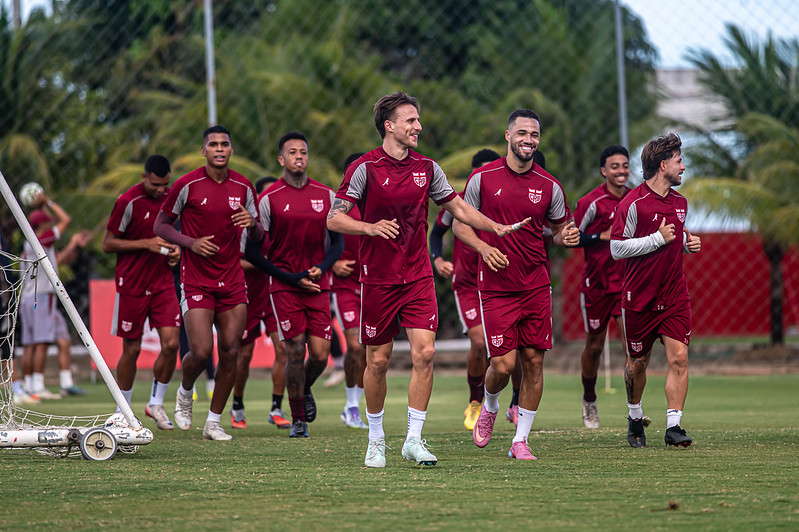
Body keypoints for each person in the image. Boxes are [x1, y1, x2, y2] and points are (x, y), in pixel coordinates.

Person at [327, 91, 525, 468]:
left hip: (418, 276)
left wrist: (494, 227)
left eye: (418, 120)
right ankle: (376, 440)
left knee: (426, 354)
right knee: (378, 361)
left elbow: (459, 207)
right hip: (378, 280)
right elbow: (334, 218)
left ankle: (413, 440)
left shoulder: (428, 168)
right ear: (389, 126)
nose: (418, 126)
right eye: (411, 120)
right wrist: (369, 227)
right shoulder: (365, 168)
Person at [454, 109, 580, 461]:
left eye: (534, 134)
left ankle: (520, 440)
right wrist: (484, 248)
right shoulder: (482, 179)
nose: (528, 139)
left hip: (536, 285)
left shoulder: (550, 185)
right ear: (508, 136)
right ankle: (490, 404)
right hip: (496, 287)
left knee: (534, 362)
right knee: (503, 366)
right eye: (522, 133)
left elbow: (559, 231)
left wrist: (566, 237)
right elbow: (460, 225)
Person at [153, 125, 263, 441]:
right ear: (204, 151)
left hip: (233, 280)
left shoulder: (243, 186)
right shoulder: (187, 184)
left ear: (231, 150)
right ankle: (185, 392)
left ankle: (213, 423)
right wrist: (191, 243)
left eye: (224, 144)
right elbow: (161, 226)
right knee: (201, 352)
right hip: (197, 280)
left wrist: (252, 223)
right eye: (213, 144)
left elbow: (259, 237)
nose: (219, 149)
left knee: (230, 352)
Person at [244, 132, 343, 438]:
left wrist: (321, 269)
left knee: (321, 354)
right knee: (295, 350)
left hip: (317, 284)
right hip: (284, 286)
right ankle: (298, 419)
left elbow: (337, 244)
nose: (299, 156)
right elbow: (252, 252)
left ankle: (303, 388)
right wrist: (289, 277)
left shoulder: (326, 195)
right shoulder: (269, 199)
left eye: (303, 152)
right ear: (281, 160)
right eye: (292, 152)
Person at [610, 132, 701, 448]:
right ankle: (635, 417)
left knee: (680, 358)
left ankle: (674, 426)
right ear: (663, 165)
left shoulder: (680, 203)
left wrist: (687, 244)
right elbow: (616, 249)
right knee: (638, 363)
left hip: (674, 296)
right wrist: (656, 240)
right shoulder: (632, 203)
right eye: (679, 161)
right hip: (639, 299)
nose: (683, 167)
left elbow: (675, 237)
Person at [101, 155, 181, 430]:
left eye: (165, 184)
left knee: (171, 344)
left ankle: (155, 403)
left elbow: (174, 234)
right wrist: (145, 243)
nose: (161, 190)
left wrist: (175, 250)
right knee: (132, 348)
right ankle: (122, 411)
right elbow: (108, 244)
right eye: (155, 184)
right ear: (144, 177)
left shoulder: (171, 199)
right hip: (132, 284)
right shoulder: (128, 201)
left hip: (162, 283)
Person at [429, 148, 501, 431]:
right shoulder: (458, 202)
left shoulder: (503, 200)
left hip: (498, 282)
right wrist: (438, 259)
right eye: (480, 170)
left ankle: (510, 403)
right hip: (468, 284)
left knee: (503, 350)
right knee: (480, 342)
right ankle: (474, 401)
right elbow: (437, 233)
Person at [573, 145, 631, 429]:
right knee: (594, 346)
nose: (621, 171)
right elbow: (571, 236)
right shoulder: (591, 202)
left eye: (625, 165)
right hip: (595, 285)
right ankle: (589, 399)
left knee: (633, 348)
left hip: (626, 284)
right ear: (604, 171)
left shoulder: (635, 199)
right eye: (615, 166)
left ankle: (635, 412)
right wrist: (600, 236)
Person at [231, 176, 291, 430]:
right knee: (244, 355)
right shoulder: (245, 227)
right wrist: (265, 265)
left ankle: (276, 408)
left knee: (284, 350)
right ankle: (237, 405)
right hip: (249, 298)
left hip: (276, 297)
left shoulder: (285, 224)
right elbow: (234, 262)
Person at [19, 191, 89, 399]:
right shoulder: (42, 239)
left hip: (29, 298)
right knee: (40, 342)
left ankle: (35, 385)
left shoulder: (30, 243)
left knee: (40, 342)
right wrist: (47, 201)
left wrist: (73, 245)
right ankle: (37, 387)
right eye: (47, 222)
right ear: (41, 225)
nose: (51, 224)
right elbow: (66, 219)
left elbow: (58, 260)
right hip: (41, 297)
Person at [330, 152, 368, 428]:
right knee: (355, 346)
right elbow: (317, 240)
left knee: (369, 350)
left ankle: (356, 404)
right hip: (345, 286)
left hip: (375, 285)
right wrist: (333, 263)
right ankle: (351, 406)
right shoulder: (337, 205)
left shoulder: (381, 204)